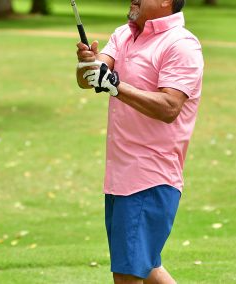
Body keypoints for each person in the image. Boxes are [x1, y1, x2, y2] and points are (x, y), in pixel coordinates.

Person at [76, 0, 204, 283]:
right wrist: (87, 65)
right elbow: (90, 79)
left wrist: (114, 85)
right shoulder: (123, 34)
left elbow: (170, 107)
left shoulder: (181, 44)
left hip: (149, 178)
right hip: (120, 175)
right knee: (147, 268)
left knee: (127, 275)